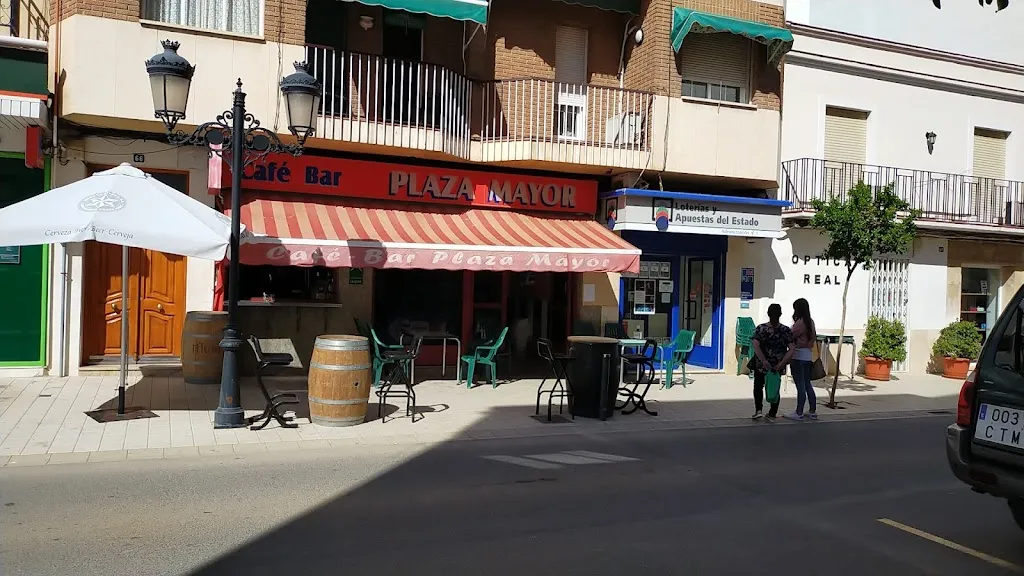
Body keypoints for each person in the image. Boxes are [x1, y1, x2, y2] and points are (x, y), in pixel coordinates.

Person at [751, 303, 795, 420]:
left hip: (761, 364)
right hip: (777, 365)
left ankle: (758, 410)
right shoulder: (785, 330)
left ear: (768, 314)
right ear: (780, 314)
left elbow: (755, 345)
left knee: (758, 386)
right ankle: (772, 412)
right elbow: (792, 349)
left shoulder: (761, 328)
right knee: (775, 387)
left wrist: (764, 360)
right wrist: (782, 363)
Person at [785, 298, 818, 421]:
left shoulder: (800, 323)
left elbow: (790, 335)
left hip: (798, 356)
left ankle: (799, 412)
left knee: (800, 386)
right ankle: (812, 411)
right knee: (807, 384)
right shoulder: (811, 322)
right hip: (808, 356)